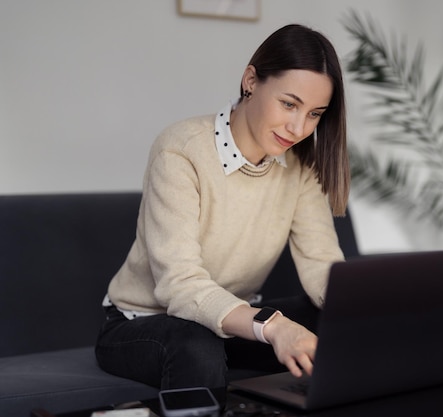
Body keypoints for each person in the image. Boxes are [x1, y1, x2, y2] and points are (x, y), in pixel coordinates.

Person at [95, 23, 350, 391]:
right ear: (251, 80)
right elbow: (180, 286)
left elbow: (320, 262)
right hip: (144, 322)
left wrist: (362, 312)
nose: (298, 127)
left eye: (314, 114)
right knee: (197, 347)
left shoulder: (300, 165)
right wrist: (273, 326)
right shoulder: (181, 149)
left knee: (334, 323)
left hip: (233, 323)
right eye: (289, 104)